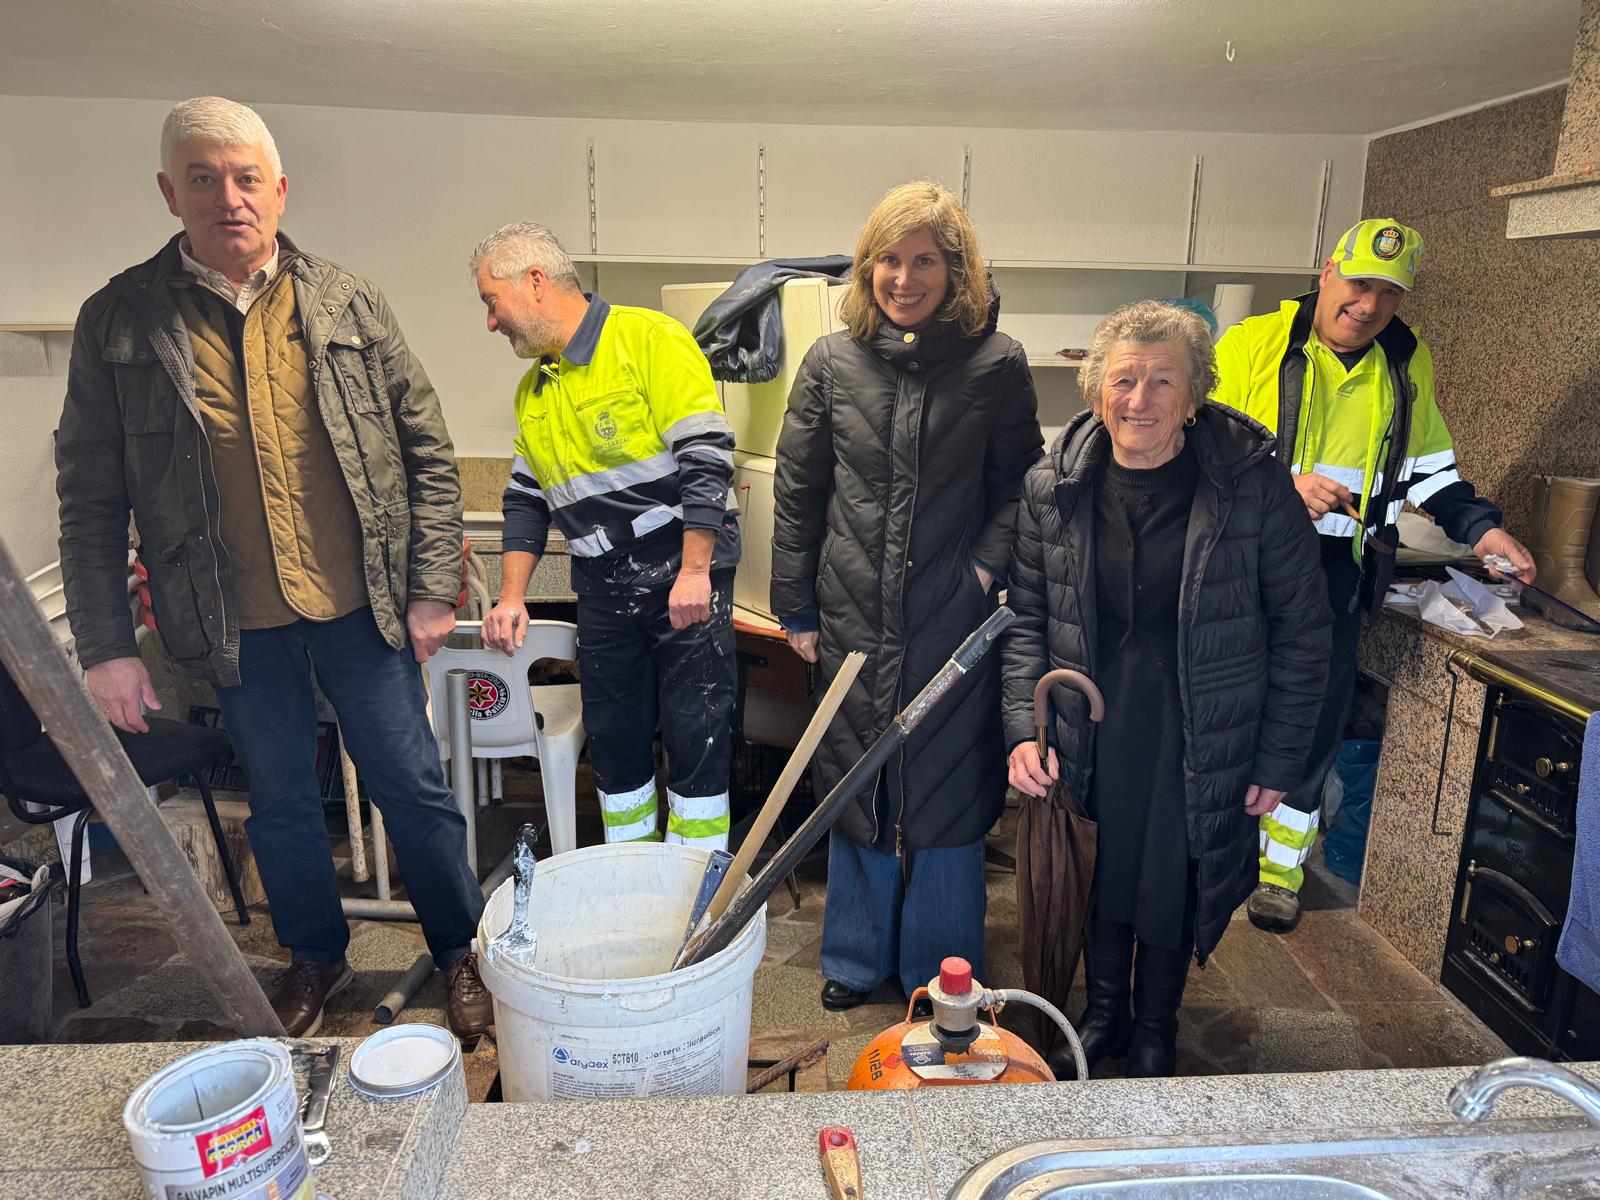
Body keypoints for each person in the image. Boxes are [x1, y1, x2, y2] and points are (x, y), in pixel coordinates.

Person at [55, 97, 489, 1041]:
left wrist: (430, 588)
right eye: (204, 179)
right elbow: (88, 494)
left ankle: (462, 949)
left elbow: (427, 451)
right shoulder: (119, 320)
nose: (230, 197)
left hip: (360, 604)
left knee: (412, 788)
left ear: (280, 189)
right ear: (170, 192)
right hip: (231, 619)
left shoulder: (350, 301)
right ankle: (314, 956)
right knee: (284, 801)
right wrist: (105, 647)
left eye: (247, 177)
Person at [1003, 300, 1332, 1078]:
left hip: (1200, 725)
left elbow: (1303, 630)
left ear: (1194, 399)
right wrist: (1023, 729)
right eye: (1124, 380)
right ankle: (1104, 1013)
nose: (1139, 400)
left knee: (1173, 876)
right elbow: (1026, 620)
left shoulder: (1251, 486)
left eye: (1162, 382)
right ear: (1096, 391)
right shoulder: (1055, 485)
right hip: (1092, 720)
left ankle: (1156, 1022)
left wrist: (1277, 759)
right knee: (1101, 867)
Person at [1212, 219, 1536, 933]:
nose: (1369, 305)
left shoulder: (1405, 362)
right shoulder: (1251, 345)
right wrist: (1280, 488)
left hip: (1337, 575)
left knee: (1312, 719)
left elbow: (1431, 471)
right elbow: (1200, 456)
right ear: (1328, 271)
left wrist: (1483, 529)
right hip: (1239, 567)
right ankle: (1208, 854)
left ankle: (1279, 875)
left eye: (1389, 293)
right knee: (1224, 711)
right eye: (1359, 283)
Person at [772, 182, 1043, 1011]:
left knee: (947, 784)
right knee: (858, 780)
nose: (903, 277)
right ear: (867, 268)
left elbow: (1021, 484)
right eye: (888, 259)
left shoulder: (997, 364)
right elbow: (799, 490)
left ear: (956, 269)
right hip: (853, 612)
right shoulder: (831, 362)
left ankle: (942, 966)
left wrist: (983, 570)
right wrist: (796, 606)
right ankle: (855, 958)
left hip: (952, 616)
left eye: (924, 260)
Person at [473, 222, 739, 851]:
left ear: (535, 282)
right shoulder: (535, 389)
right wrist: (511, 597)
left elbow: (705, 456)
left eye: (492, 302)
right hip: (601, 583)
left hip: (679, 570)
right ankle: (632, 874)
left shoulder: (648, 339)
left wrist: (695, 572)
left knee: (695, 732)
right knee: (614, 742)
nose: (490, 322)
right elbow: (526, 499)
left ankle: (694, 883)